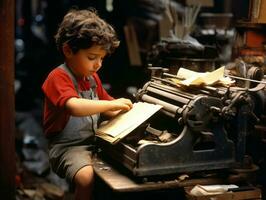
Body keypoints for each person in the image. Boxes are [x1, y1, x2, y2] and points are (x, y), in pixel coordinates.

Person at [41, 8, 133, 200]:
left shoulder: (92, 78)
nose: (98, 64)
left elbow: (109, 106)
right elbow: (75, 106)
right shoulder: (58, 77)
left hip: (94, 140)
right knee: (86, 178)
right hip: (67, 147)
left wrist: (130, 111)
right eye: (92, 57)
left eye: (101, 58)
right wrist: (109, 105)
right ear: (68, 50)